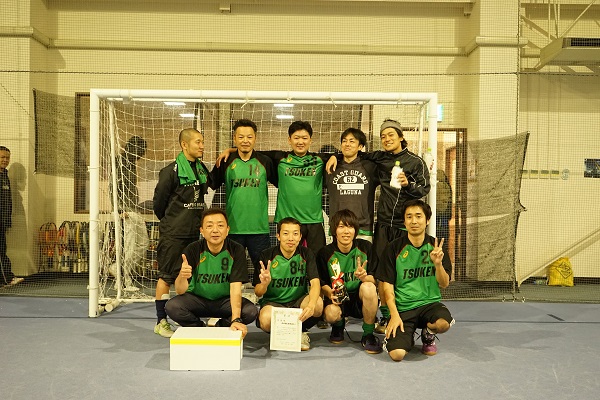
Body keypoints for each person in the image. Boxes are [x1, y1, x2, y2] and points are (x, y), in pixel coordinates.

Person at [327, 119, 430, 334]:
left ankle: (412, 313)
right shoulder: (379, 159)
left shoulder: (415, 162)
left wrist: (408, 184)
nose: (387, 139)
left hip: (405, 225)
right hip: (382, 224)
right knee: (381, 272)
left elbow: (424, 189)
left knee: (404, 271)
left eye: (391, 135)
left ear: (401, 136)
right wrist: (335, 155)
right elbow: (354, 152)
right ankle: (383, 315)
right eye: (383, 136)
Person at [218, 121, 330, 254]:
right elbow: (250, 151)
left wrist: (334, 156)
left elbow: (344, 155)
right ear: (289, 140)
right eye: (296, 138)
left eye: (304, 138)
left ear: (310, 140)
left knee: (317, 259)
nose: (300, 142)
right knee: (287, 258)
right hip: (287, 221)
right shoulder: (279, 158)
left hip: (314, 221)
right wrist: (231, 150)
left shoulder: (320, 160)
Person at [375, 199, 453, 361]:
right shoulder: (393, 248)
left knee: (443, 323)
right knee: (397, 355)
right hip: (403, 308)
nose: (414, 221)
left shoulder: (436, 247)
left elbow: (444, 283)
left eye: (418, 216)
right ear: (404, 222)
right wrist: (392, 314)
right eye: (409, 217)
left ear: (427, 220)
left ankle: (428, 334)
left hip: (429, 305)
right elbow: (386, 286)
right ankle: (405, 338)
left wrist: (438, 264)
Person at [152, 128, 212, 337]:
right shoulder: (170, 171)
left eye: (202, 142)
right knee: (167, 276)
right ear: (184, 145)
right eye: (198, 142)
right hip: (173, 234)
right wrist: (173, 222)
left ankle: (185, 316)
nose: (202, 146)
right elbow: (159, 204)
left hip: (194, 234)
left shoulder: (201, 169)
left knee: (188, 276)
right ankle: (161, 321)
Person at [165, 208, 257, 337]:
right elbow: (180, 291)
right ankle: (199, 327)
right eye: (209, 226)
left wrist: (236, 319)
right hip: (198, 300)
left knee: (250, 311)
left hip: (225, 301)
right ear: (202, 231)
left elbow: (235, 288)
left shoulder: (236, 249)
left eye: (220, 225)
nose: (215, 230)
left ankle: (221, 326)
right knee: (172, 306)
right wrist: (182, 275)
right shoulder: (192, 249)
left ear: (227, 230)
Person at [210, 119, 277, 268]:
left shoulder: (265, 162)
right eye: (241, 137)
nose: (245, 140)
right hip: (232, 229)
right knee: (232, 272)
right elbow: (210, 183)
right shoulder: (226, 161)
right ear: (234, 138)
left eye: (249, 137)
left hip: (259, 230)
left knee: (263, 272)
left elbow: (282, 182)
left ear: (255, 138)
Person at [253, 217, 323, 351]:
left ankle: (301, 331)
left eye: (295, 234)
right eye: (286, 233)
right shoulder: (266, 256)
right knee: (265, 320)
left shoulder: (306, 254)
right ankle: (284, 334)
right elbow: (258, 292)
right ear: (278, 236)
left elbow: (315, 283)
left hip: (298, 302)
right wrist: (265, 284)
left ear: (300, 237)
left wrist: (311, 305)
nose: (291, 238)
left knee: (318, 304)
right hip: (273, 303)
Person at [316, 209, 382, 354]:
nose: (346, 231)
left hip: (359, 299)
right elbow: (321, 283)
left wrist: (364, 277)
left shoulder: (366, 248)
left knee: (369, 287)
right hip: (337, 299)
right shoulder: (324, 253)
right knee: (331, 313)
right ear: (334, 230)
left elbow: (375, 279)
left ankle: (368, 334)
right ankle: (338, 326)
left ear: (355, 230)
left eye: (350, 227)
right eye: (341, 226)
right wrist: (329, 293)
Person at [110, 136, 149, 291]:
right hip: (125, 210)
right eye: (140, 151)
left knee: (143, 243)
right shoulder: (120, 162)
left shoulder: (131, 164)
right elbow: (113, 186)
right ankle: (123, 280)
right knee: (130, 246)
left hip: (133, 208)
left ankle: (117, 268)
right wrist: (119, 209)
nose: (141, 155)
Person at [325, 128, 378, 241]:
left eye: (352, 141)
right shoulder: (331, 166)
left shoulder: (370, 167)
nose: (347, 144)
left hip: (363, 227)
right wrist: (335, 155)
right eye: (344, 141)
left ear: (360, 146)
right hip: (338, 227)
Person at [0, 146, 23, 287]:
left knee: (2, 249)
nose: (5, 160)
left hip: (3, 222)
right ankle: (7, 279)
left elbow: (7, 201)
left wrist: (7, 220)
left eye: (7, 157)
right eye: (2, 157)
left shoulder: (5, 176)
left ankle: (6, 279)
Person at [435, 169, 452, 241]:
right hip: (445, 212)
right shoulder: (447, 186)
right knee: (444, 227)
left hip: (435, 212)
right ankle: (444, 239)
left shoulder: (434, 185)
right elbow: (450, 200)